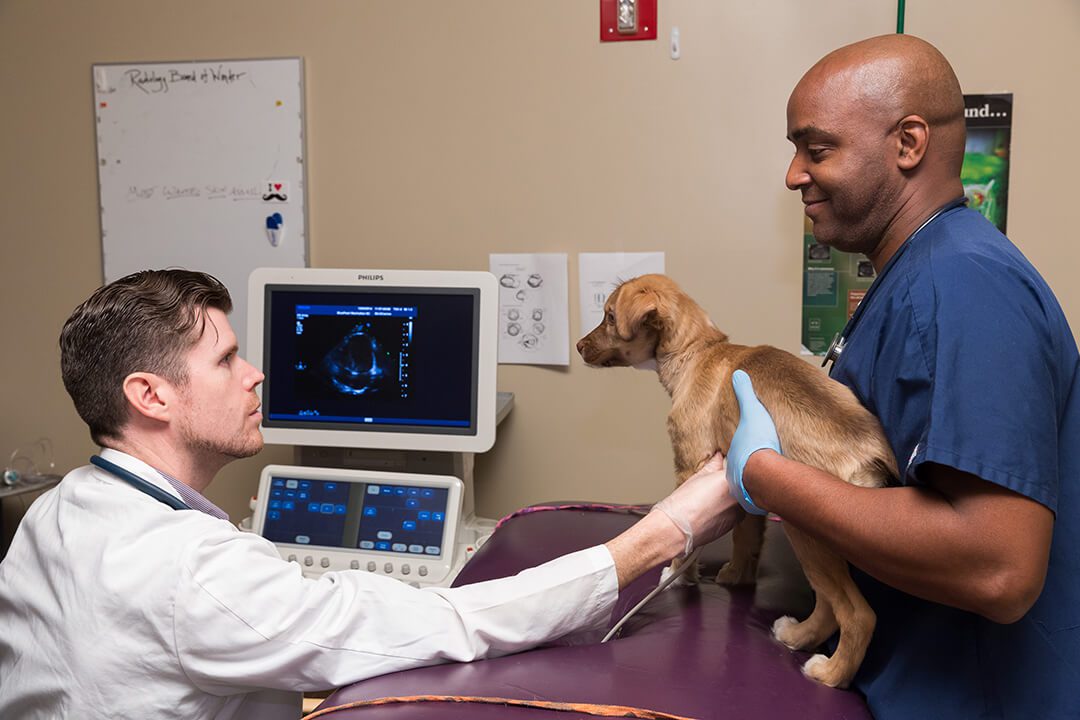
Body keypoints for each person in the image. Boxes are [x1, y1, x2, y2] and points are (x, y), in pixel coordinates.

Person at [0, 269, 740, 720]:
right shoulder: (188, 574)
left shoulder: (60, 508)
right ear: (150, 395)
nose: (257, 373)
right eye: (227, 360)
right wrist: (663, 533)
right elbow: (445, 621)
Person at [725, 34, 1079, 719]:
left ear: (908, 143)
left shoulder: (964, 286)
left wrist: (769, 476)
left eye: (816, 148)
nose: (794, 174)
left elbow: (998, 566)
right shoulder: (917, 275)